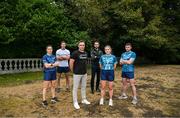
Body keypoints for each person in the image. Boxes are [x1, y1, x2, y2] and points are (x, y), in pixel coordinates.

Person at [70, 40, 91, 110]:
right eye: (81, 45)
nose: (82, 46)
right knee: (75, 88)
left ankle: (83, 99)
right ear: (78, 46)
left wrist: (86, 71)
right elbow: (71, 62)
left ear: (84, 46)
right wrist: (73, 71)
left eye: (83, 45)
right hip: (77, 73)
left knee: (83, 87)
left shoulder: (86, 53)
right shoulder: (75, 53)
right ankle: (75, 102)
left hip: (84, 73)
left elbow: (84, 63)